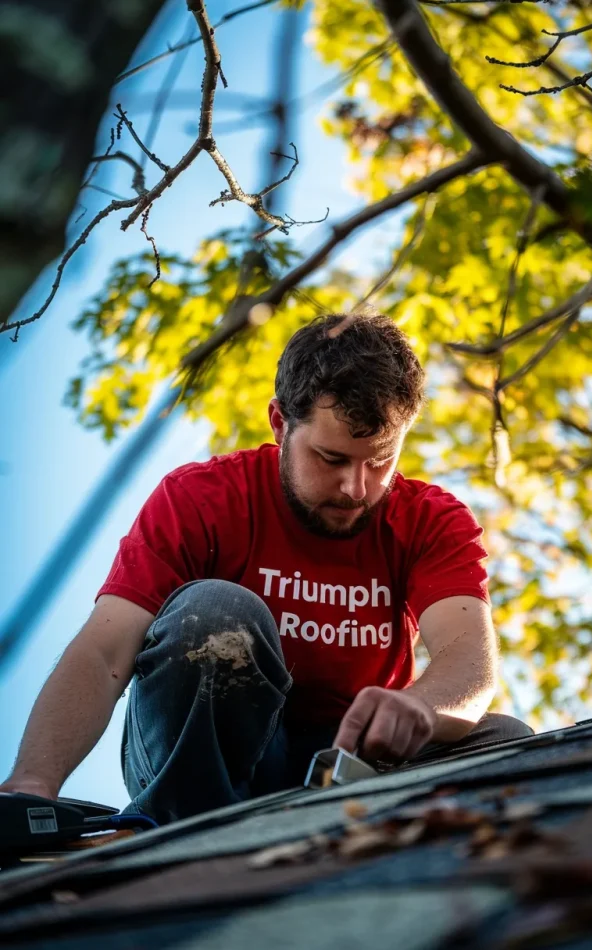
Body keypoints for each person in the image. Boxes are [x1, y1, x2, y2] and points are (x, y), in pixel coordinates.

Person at [1, 312, 532, 823]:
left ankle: (349, 841)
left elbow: (470, 664)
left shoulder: (431, 521)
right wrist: (32, 786)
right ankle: (187, 833)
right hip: (201, 759)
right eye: (331, 459)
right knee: (215, 612)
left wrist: (420, 706)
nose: (357, 488)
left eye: (379, 461)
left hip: (346, 770)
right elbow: (103, 652)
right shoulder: (200, 499)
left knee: (505, 743)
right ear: (280, 422)